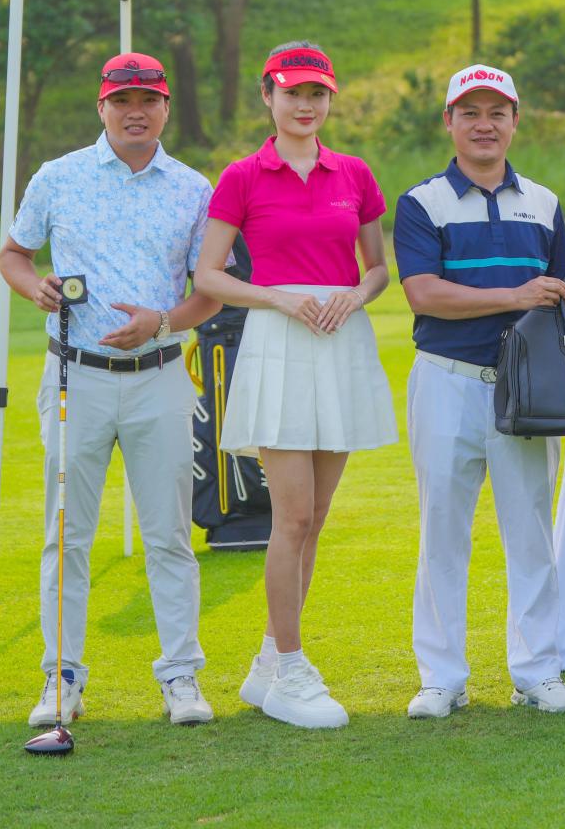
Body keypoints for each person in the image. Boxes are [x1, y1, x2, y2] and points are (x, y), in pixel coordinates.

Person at [0, 53, 221, 729]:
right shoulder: (57, 176)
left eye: (148, 100)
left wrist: (163, 322)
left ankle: (180, 676)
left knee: (169, 535)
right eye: (122, 100)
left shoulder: (193, 188)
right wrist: (32, 287)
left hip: (159, 376)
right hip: (76, 377)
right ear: (102, 106)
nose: (136, 112)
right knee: (67, 535)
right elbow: (14, 254)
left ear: (165, 108)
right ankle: (62, 677)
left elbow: (210, 292)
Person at [194, 42, 396, 730]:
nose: (305, 105)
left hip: (340, 338)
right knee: (294, 519)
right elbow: (209, 276)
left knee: (317, 518)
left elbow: (377, 268)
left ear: (329, 99)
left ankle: (268, 665)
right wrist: (277, 298)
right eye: (292, 93)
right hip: (279, 339)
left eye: (317, 94)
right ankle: (292, 664)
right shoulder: (242, 176)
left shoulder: (354, 173)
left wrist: (356, 296)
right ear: (268, 96)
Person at [393, 64, 565, 720]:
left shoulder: (544, 203)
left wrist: (541, 299)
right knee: (442, 532)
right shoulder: (423, 203)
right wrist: (514, 295)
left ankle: (537, 671)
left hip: (526, 390)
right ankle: (441, 677)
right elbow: (424, 295)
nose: (484, 124)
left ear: (514, 121)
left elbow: (558, 293)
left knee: (530, 533)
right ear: (448, 121)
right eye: (470, 112)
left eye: (496, 112)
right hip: (446, 380)